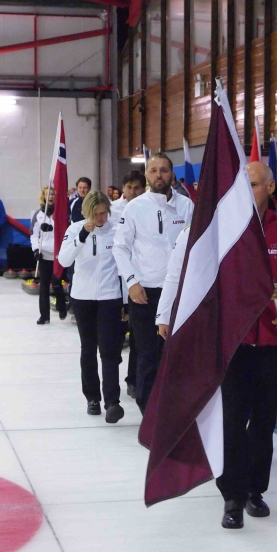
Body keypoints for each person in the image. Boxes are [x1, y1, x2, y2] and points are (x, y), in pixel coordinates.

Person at [156, 162, 277, 529]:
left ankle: (255, 490)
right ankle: (232, 495)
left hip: (271, 342)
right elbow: (204, 280)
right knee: (231, 420)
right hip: (233, 343)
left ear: (271, 188)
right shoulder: (224, 231)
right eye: (243, 185)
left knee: (263, 420)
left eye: (255, 184)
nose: (248, 191)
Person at [113, 151, 194, 414]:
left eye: (164, 170)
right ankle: (148, 413)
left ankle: (173, 410)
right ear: (146, 175)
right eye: (153, 170)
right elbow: (120, 247)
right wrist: (131, 282)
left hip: (179, 294)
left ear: (172, 175)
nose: (159, 175)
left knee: (176, 355)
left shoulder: (187, 206)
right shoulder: (135, 207)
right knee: (147, 354)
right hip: (145, 293)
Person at [59, 191, 126, 422]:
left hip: (110, 297)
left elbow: (123, 267)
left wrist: (125, 301)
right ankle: (92, 398)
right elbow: (64, 260)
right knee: (88, 349)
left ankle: (112, 402)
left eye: (103, 213)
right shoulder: (74, 229)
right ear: (87, 212)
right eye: (96, 214)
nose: (100, 218)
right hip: (82, 298)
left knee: (109, 350)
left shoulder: (117, 231)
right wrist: (81, 236)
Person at [110, 169, 147, 398]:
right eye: (129, 187)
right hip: (114, 280)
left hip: (138, 280)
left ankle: (133, 379)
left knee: (137, 337)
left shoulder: (147, 209)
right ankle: (111, 383)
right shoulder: (112, 210)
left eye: (137, 188)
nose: (133, 192)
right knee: (114, 338)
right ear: (123, 188)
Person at [30, 186, 67, 325]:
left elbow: (66, 231)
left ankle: (62, 306)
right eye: (48, 194)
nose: (50, 196)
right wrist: (36, 250)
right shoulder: (38, 214)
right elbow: (33, 235)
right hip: (44, 254)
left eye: (52, 194)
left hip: (58, 254)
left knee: (57, 283)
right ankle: (44, 316)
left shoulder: (61, 213)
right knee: (44, 286)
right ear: (44, 196)